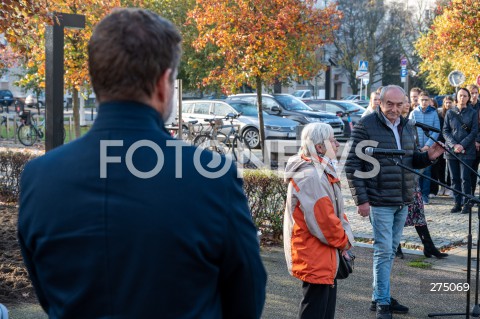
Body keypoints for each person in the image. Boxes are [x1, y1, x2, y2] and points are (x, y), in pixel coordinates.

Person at [18, 8, 267, 319]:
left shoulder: (39, 177)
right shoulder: (212, 175)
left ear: (97, 80)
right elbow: (246, 299)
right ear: (164, 83)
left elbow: (47, 292)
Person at [345, 85, 445, 319]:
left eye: (399, 105)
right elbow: (353, 167)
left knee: (389, 251)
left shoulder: (409, 126)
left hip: (403, 199)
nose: (394, 109)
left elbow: (411, 161)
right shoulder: (366, 125)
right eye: (389, 104)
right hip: (379, 199)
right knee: (383, 251)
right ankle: (382, 303)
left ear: (405, 105)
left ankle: (379, 295)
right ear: (380, 102)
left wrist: (428, 157)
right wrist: (362, 200)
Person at [284, 123, 354, 319]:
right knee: (316, 309)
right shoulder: (312, 175)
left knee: (321, 308)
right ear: (320, 147)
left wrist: (343, 238)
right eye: (333, 140)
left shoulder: (319, 170)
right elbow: (325, 222)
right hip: (316, 254)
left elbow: (334, 213)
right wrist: (344, 242)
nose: (338, 144)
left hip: (321, 253)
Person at [396, 98, 448, 259]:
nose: (405, 104)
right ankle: (395, 247)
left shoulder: (409, 124)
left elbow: (413, 151)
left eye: (405, 102)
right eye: (402, 102)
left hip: (411, 175)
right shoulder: (391, 125)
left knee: (418, 211)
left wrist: (427, 155)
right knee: (396, 213)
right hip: (395, 177)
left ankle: (428, 246)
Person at [443, 87, 479, 214]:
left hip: (467, 150)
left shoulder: (473, 112)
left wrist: (462, 145)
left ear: (468, 98)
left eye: (465, 96)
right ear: (456, 97)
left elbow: (474, 131)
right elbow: (445, 130)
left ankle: (466, 203)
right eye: (460, 95)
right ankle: (457, 203)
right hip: (451, 151)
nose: (462, 98)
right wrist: (453, 145)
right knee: (454, 178)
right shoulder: (450, 112)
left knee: (465, 178)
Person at [408, 92, 440, 204]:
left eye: (426, 100)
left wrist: (428, 145)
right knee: (416, 173)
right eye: (422, 100)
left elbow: (436, 130)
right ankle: (417, 195)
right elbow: (410, 130)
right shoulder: (413, 113)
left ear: (430, 101)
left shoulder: (434, 113)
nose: (424, 102)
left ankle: (425, 195)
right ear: (418, 101)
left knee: (427, 172)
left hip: (428, 148)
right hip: (416, 148)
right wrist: (416, 146)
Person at [466, 84, 480, 196]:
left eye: (476, 93)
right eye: (472, 93)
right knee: (471, 170)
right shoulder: (466, 108)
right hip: (469, 143)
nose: (474, 96)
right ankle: (470, 194)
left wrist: (478, 140)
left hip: (478, 142)